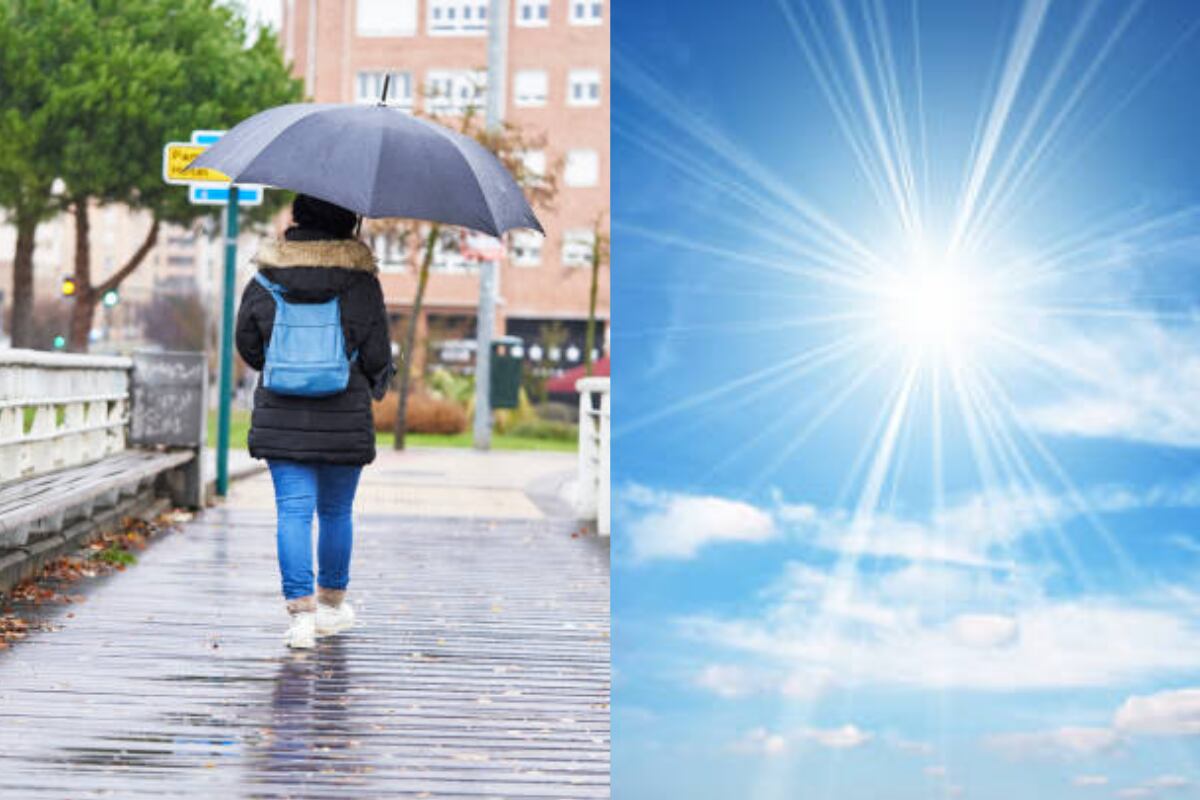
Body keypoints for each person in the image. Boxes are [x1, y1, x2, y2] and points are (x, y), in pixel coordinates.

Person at [235, 194, 394, 649]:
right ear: (348, 223)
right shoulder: (362, 283)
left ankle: (300, 617)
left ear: (297, 219)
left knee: (293, 511)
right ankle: (330, 607)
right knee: (336, 512)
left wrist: (285, 363)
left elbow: (248, 344)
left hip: (282, 412)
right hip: (344, 413)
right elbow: (379, 354)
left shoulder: (265, 278)